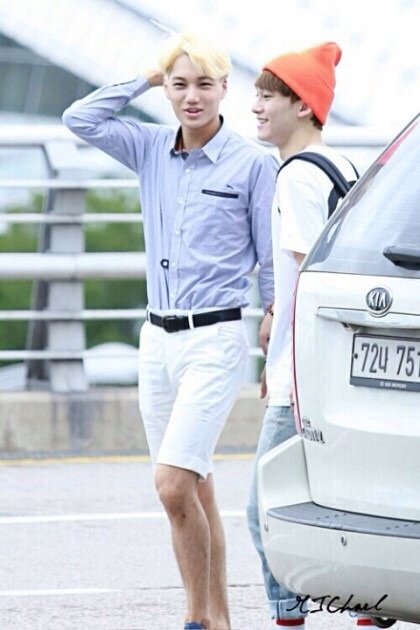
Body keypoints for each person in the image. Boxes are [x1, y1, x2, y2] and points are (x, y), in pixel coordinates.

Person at [62, 32, 278, 630]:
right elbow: (80, 118)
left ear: (225, 88)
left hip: (214, 341)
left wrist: (274, 332)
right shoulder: (150, 147)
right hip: (156, 341)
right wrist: (148, 76)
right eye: (180, 85)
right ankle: (219, 620)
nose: (192, 97)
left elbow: (270, 263)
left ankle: (194, 619)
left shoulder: (253, 163)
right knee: (196, 486)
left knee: (172, 484)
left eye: (204, 84)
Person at [246, 42, 366, 628]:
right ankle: (371, 610)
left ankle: (287, 618)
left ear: (302, 105)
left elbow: (308, 275)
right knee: (353, 501)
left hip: (302, 373)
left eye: (268, 96)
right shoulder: (342, 166)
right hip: (338, 367)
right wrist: (274, 312)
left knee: (264, 509)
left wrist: (282, 366)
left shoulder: (295, 177)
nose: (256, 106)